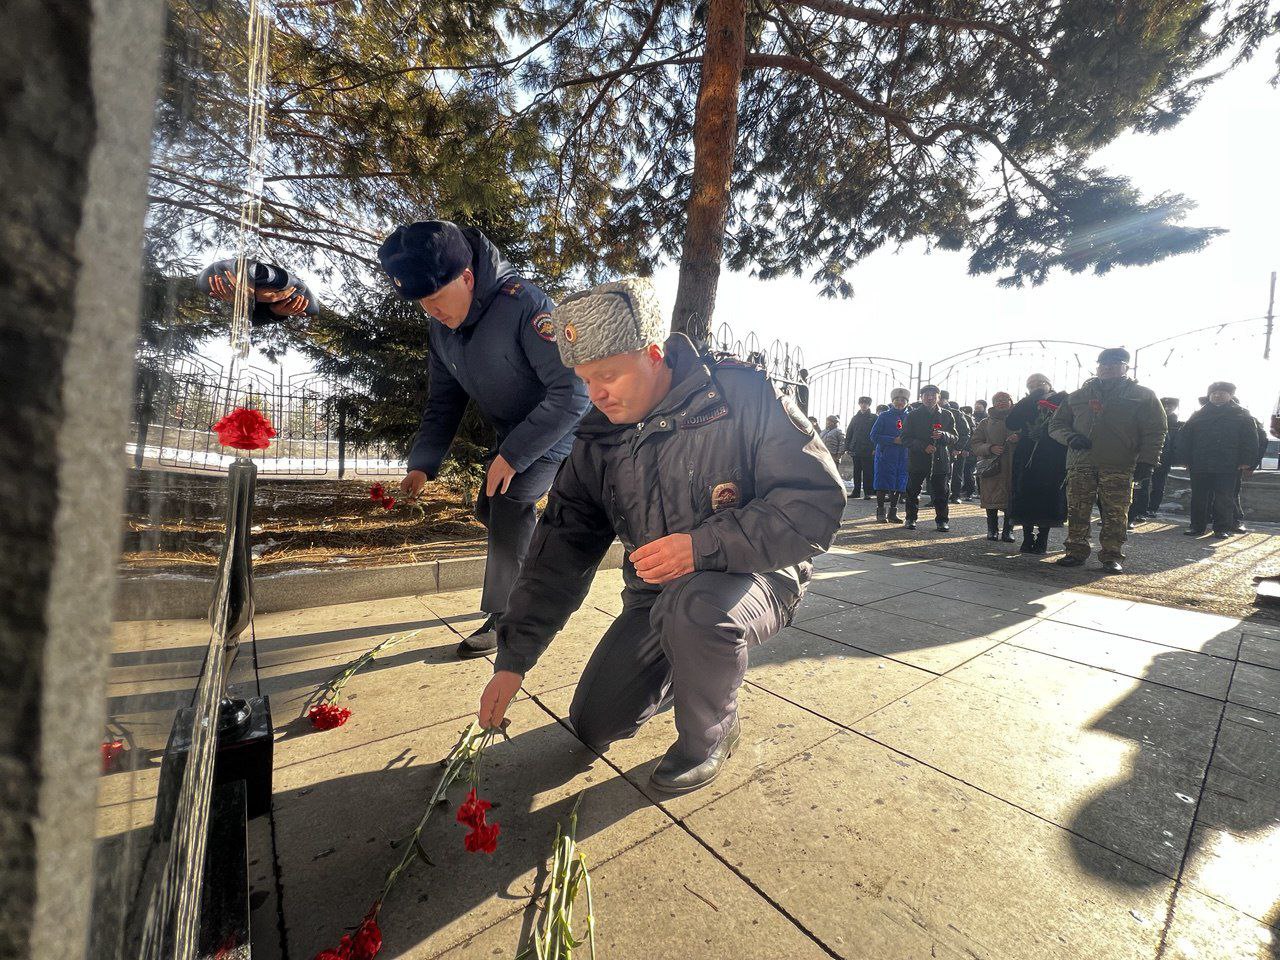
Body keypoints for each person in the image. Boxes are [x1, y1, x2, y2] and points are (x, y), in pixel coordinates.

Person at [476, 278, 846, 793]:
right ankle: (693, 667)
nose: (594, 394)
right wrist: (514, 658)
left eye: (606, 374)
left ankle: (711, 735)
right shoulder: (600, 436)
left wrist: (701, 546)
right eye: (584, 380)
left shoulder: (740, 395)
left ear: (653, 354)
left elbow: (815, 502)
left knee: (698, 611)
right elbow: (558, 551)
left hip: (755, 575)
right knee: (593, 724)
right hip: (654, 595)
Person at [379, 220, 590, 658]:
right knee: (488, 508)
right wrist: (422, 464)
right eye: (423, 304)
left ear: (468, 278)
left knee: (508, 502)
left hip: (563, 427)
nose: (432, 312)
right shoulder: (442, 330)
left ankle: (509, 618)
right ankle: (543, 577)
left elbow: (574, 391)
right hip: (521, 433)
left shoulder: (525, 305)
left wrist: (512, 455)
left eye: (436, 299)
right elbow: (443, 402)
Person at [1049, 348, 1167, 573]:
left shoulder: (1143, 395)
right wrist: (1070, 437)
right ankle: (1075, 550)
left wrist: (1148, 461)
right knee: (1077, 509)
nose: (1107, 367)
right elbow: (1056, 425)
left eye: (1114, 363)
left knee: (1115, 512)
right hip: (1080, 462)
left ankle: (1112, 555)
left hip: (1119, 463)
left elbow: (1156, 430)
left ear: (1125, 367)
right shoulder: (1078, 396)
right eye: (1103, 364)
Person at [1179, 382, 1260, 539]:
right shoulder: (1198, 414)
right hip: (1200, 463)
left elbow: (1251, 440)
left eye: (1222, 392)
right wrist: (1184, 459)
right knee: (1199, 497)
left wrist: (1246, 461)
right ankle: (1197, 526)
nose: (1217, 395)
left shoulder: (1241, 414)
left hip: (1228, 464)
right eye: (1214, 393)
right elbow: (1184, 438)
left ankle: (1222, 528)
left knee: (1224, 497)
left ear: (1230, 395)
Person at [1006, 374, 1068, 554]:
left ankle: (1042, 538)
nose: (1036, 387)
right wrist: (1028, 401)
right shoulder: (1027, 402)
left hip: (1051, 456)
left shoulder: (1063, 399)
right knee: (1025, 495)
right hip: (1026, 456)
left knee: (1047, 496)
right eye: (1031, 385)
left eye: (1040, 383)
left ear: (1049, 384)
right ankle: (1027, 537)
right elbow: (1012, 422)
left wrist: (1048, 435)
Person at [901, 385, 959, 531]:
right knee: (913, 491)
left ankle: (942, 521)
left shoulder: (947, 415)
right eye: (926, 395)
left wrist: (943, 436)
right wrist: (922, 446)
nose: (930, 397)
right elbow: (905, 438)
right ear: (921, 397)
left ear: (938, 397)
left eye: (933, 395)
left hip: (940, 459)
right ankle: (910, 518)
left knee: (941, 492)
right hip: (918, 459)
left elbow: (955, 436)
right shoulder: (913, 415)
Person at [198, 258, 318, 325]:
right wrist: (249, 297)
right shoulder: (224, 275)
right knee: (208, 281)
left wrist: (274, 311)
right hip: (228, 273)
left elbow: (312, 308)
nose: (260, 273)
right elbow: (203, 280)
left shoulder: (284, 294)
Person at [970, 392, 1018, 542]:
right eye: (997, 400)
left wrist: (1019, 438)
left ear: (1011, 401)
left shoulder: (1019, 420)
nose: (1001, 402)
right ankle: (992, 530)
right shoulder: (985, 422)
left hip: (1013, 465)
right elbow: (975, 443)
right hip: (992, 466)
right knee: (991, 499)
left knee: (1011, 499)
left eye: (1005, 400)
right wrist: (990, 448)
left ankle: (1008, 530)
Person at [870, 389, 911, 523]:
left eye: (903, 400)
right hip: (885, 455)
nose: (900, 403)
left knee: (899, 484)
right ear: (892, 401)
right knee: (882, 483)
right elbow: (874, 436)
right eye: (897, 400)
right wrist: (892, 440)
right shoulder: (884, 416)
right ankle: (880, 511)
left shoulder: (910, 417)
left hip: (903, 456)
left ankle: (892, 512)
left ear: (906, 402)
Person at [1145, 398, 1181, 517]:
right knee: (1143, 485)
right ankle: (1140, 509)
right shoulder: (1152, 420)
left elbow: (1177, 444)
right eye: (1165, 406)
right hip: (1148, 457)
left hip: (1165, 460)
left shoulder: (1177, 425)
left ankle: (1152, 509)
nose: (1167, 408)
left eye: (1170, 406)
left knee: (1158, 486)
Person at [847, 397, 877, 500]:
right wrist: (848, 447)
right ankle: (856, 492)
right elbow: (850, 432)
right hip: (856, 448)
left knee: (868, 471)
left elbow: (876, 433)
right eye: (862, 403)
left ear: (869, 405)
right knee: (856, 471)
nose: (864, 405)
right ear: (859, 404)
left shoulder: (874, 417)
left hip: (868, 449)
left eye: (866, 403)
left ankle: (868, 492)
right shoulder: (855, 418)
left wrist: (875, 448)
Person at [947, 400, 973, 503]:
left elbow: (968, 434)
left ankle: (956, 494)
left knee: (957, 472)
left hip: (960, 449)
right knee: (945, 473)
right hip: (947, 447)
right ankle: (944, 495)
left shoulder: (961, 416)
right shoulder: (939, 414)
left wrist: (962, 448)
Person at [958, 406, 978, 499]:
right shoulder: (965, 419)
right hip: (966, 450)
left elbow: (972, 437)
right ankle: (965, 490)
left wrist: (967, 449)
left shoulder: (969, 420)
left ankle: (969, 492)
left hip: (970, 451)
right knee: (965, 471)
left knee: (968, 471)